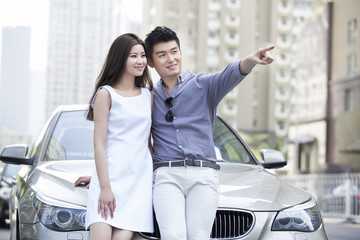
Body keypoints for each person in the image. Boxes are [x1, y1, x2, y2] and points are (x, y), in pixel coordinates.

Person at [76, 26, 274, 240]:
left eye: (174, 51)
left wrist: (251, 60)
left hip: (202, 174)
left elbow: (230, 74)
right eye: (161, 54)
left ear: (180, 53)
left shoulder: (202, 86)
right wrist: (101, 178)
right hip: (165, 176)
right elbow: (122, 138)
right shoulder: (150, 96)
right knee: (173, 236)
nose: (170, 58)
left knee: (199, 236)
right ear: (152, 63)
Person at [81, 33, 154, 240]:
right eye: (133, 56)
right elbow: (100, 145)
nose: (140, 61)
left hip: (137, 184)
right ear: (120, 58)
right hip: (109, 182)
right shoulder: (106, 94)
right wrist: (103, 186)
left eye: (142, 56)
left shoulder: (148, 96)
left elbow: (147, 144)